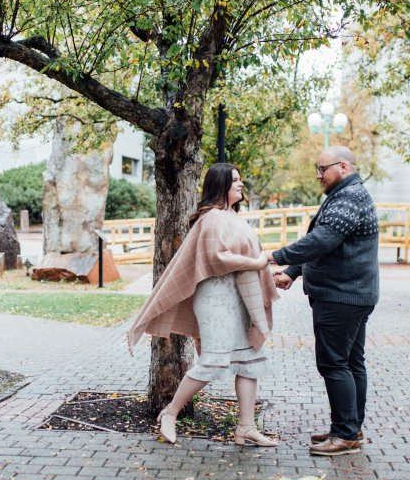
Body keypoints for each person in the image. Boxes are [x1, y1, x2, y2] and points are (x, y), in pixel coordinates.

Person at [127, 163, 280, 447]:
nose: (240, 183)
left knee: (248, 361)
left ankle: (246, 427)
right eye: (234, 180)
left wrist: (268, 272)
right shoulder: (211, 219)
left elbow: (243, 257)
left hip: (237, 298)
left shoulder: (233, 216)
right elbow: (217, 257)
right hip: (215, 298)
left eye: (240, 178)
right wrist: (260, 262)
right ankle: (170, 413)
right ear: (220, 184)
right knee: (213, 360)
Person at [267, 146, 379, 457]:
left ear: (343, 166)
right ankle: (350, 428)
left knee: (333, 363)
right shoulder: (347, 195)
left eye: (322, 169)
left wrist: (275, 256)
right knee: (352, 362)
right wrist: (293, 271)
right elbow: (328, 245)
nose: (318, 175)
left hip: (341, 296)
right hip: (351, 295)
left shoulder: (349, 197)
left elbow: (322, 240)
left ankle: (344, 434)